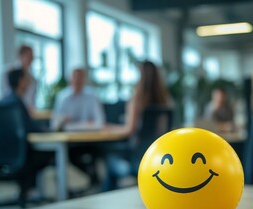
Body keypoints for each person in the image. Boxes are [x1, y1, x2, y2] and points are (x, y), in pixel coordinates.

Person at [104, 60, 173, 190]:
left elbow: (129, 130)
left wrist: (110, 128)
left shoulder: (137, 100)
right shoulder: (165, 102)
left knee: (110, 159)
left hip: (137, 158)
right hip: (158, 157)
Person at [0, 68, 51, 194]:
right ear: (21, 81)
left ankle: (27, 189)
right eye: (26, 79)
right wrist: (48, 130)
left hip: (0, 156)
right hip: (20, 156)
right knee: (48, 153)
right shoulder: (17, 103)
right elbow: (29, 127)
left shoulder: (0, 103)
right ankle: (29, 188)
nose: (29, 83)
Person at [51, 68, 105, 186]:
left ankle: (97, 181)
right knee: (67, 154)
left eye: (80, 78)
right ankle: (68, 187)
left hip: (91, 140)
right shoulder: (63, 97)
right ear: (70, 79)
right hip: (70, 142)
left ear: (84, 80)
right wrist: (62, 120)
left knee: (100, 151)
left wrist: (74, 125)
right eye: (74, 78)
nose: (77, 81)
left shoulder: (92, 96)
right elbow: (54, 125)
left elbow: (100, 122)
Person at [2, 45, 37, 110]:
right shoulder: (8, 72)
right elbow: (5, 94)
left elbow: (31, 101)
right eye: (28, 56)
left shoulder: (33, 79)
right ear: (20, 56)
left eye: (32, 57)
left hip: (26, 112)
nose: (31, 59)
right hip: (10, 110)